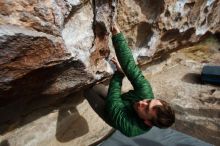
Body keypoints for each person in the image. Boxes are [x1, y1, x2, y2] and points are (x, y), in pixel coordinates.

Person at [84, 23, 175, 137]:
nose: (142, 102)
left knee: (88, 91)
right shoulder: (146, 93)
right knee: (98, 87)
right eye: (148, 101)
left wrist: (119, 74)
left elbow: (113, 103)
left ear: (147, 122)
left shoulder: (131, 129)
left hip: (113, 114)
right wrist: (118, 36)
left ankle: (86, 92)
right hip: (122, 101)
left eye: (146, 109)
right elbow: (130, 67)